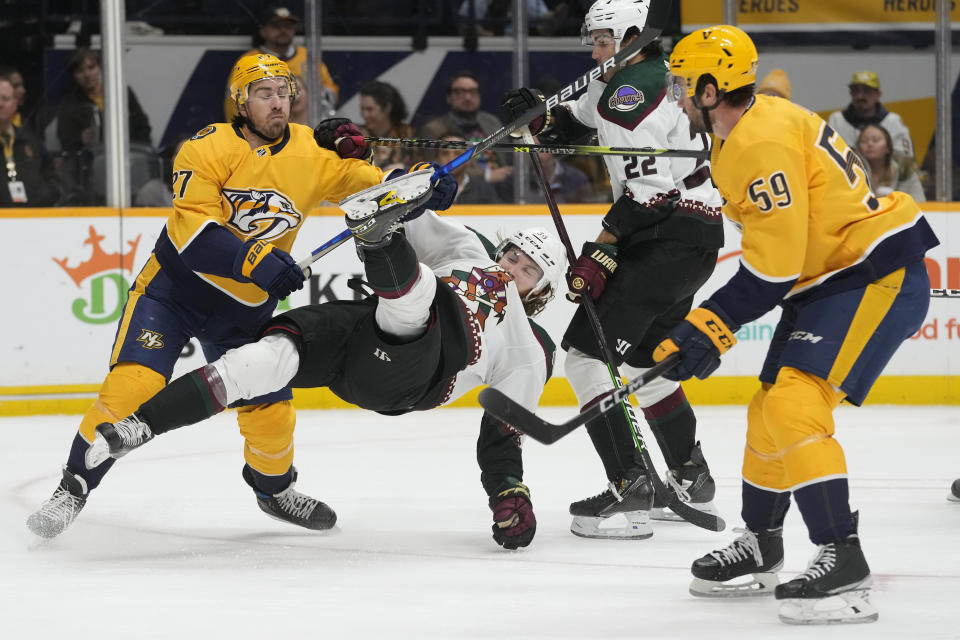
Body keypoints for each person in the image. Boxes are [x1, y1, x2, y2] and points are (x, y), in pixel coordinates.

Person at [26, 53, 391, 539]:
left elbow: (375, 191)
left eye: (284, 94)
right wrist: (257, 262)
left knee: (272, 412)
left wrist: (425, 184)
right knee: (130, 389)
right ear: (240, 101)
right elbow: (194, 230)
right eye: (265, 94)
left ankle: (274, 490)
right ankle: (71, 489)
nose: (278, 103)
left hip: (243, 314)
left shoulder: (311, 152)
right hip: (173, 292)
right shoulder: (205, 147)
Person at [81, 192, 565, 550]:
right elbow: (397, 197)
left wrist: (509, 494)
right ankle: (141, 425)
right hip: (366, 334)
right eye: (513, 253)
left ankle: (379, 246)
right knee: (259, 361)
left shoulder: (529, 346)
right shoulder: (469, 247)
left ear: (538, 293)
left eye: (528, 270)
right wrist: (401, 188)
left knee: (419, 301)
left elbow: (504, 430)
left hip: (417, 376)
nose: (512, 264)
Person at [665, 25, 939, 624]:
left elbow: (773, 270)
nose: (677, 93)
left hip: (872, 272)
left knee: (794, 403)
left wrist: (707, 324)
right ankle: (763, 543)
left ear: (712, 90)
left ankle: (843, 559)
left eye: (685, 83)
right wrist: (710, 325)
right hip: (834, 277)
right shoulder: (749, 124)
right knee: (767, 407)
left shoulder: (755, 143)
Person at [501, 0, 724, 539]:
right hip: (696, 236)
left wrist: (603, 246)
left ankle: (632, 487)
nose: (595, 50)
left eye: (604, 40)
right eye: (593, 40)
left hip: (664, 235)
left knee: (583, 354)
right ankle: (691, 475)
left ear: (630, 37)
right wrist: (538, 115)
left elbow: (649, 193)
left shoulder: (632, 96)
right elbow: (577, 123)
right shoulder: (646, 76)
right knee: (646, 356)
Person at [224, 5, 340, 125]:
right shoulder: (249, 60)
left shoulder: (308, 56)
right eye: (276, 26)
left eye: (288, 26)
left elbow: (330, 93)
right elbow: (233, 103)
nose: (283, 30)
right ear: (263, 31)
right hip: (264, 131)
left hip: (306, 128)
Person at [419, 71, 513, 195]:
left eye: (473, 92)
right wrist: (486, 176)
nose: (467, 97)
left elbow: (510, 157)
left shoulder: (491, 122)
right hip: (461, 192)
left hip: (504, 190)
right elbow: (436, 169)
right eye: (460, 92)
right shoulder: (434, 129)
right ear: (449, 97)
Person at [56, 48, 152, 153]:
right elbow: (65, 141)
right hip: (91, 160)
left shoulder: (122, 93)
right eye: (80, 70)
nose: (87, 74)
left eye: (91, 67)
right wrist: (81, 139)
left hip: (129, 155)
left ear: (100, 68)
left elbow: (143, 128)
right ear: (73, 75)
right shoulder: (70, 103)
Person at [0, 76, 61, 206]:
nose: (0, 104)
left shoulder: (30, 140)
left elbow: (51, 175)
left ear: (15, 104)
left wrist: (47, 195)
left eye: (5, 99)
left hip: (33, 219)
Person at [827, 70, 913, 158]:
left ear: (878, 95)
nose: (860, 96)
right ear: (851, 94)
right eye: (856, 91)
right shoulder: (836, 120)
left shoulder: (893, 121)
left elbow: (906, 158)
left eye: (866, 91)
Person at [856, 123, 925, 202]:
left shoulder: (905, 171)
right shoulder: (852, 173)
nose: (870, 144)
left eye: (876, 140)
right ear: (858, 148)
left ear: (888, 147)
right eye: (864, 141)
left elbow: (920, 203)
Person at [359, 80, 415, 171]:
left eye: (370, 109)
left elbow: (422, 167)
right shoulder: (358, 134)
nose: (364, 115)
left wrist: (405, 169)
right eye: (362, 109)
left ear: (387, 108)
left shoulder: (406, 133)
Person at [434, 132, 503, 204]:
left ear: (469, 161)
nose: (451, 159)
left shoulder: (484, 190)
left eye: (457, 153)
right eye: (445, 153)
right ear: (436, 159)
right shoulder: (424, 190)